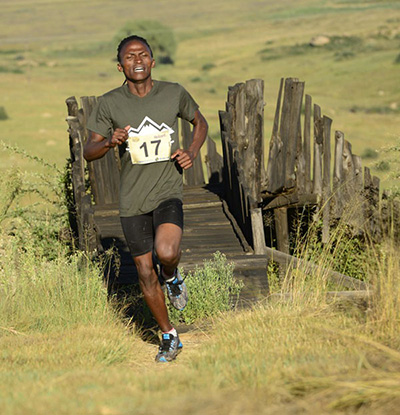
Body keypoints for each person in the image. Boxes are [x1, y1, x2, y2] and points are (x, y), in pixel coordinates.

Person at [83, 35, 208, 362]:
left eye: (143, 54)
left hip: (167, 189)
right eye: (129, 56)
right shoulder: (109, 103)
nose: (136, 60)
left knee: (167, 252)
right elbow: (88, 151)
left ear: (153, 61)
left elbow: (200, 122)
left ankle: (172, 275)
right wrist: (110, 142)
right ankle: (169, 335)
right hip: (132, 200)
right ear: (120, 65)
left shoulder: (173, 92)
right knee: (143, 272)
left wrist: (191, 151)